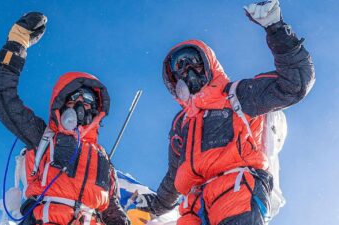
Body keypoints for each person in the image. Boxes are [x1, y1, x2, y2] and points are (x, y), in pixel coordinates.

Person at [135, 0, 315, 225]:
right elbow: (174, 175)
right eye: (179, 68)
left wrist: (276, 29)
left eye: (193, 62)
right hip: (193, 206)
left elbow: (294, 84)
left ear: (208, 63)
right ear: (173, 81)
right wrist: (154, 206)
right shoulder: (182, 123)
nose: (188, 70)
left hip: (236, 190)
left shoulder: (238, 95)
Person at [0, 12, 129, 225]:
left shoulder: (103, 159)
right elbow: (1, 95)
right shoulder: (43, 136)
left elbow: (111, 205)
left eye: (88, 98)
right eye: (74, 98)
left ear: (96, 109)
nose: (81, 104)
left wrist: (119, 218)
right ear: (62, 103)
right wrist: (17, 42)